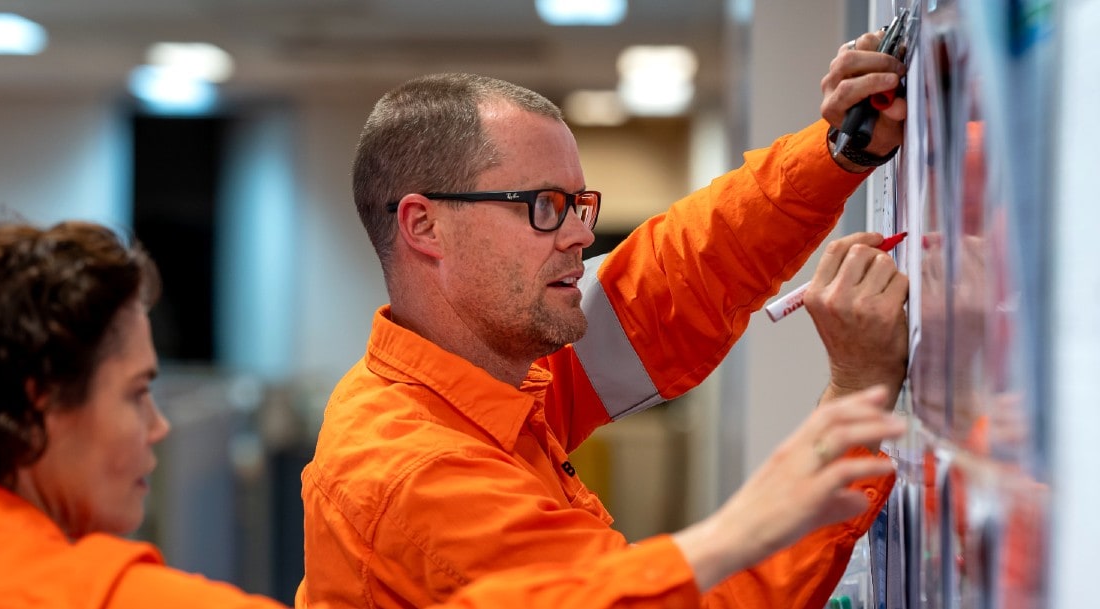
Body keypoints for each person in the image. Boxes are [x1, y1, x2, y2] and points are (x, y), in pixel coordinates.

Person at [0, 221, 902, 609]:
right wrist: (717, 544)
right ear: (38, 404)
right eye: (139, 396)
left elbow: (661, 291)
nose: (157, 431)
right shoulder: (113, 602)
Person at [297, 30, 912, 609]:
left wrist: (840, 150)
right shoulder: (424, 476)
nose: (580, 234)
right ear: (424, 226)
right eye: (544, 206)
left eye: (577, 205)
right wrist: (858, 395)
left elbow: (671, 282)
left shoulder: (484, 373)